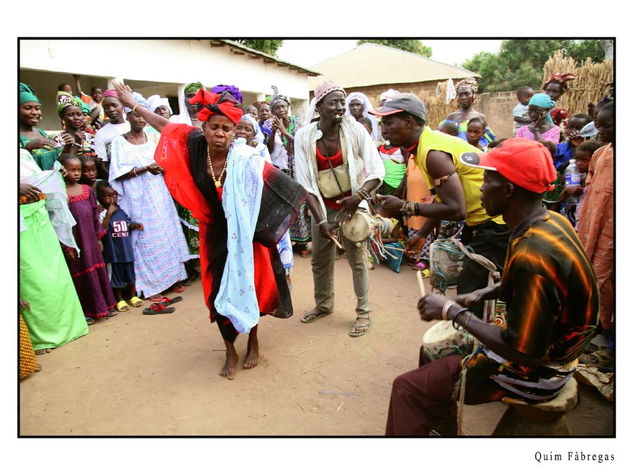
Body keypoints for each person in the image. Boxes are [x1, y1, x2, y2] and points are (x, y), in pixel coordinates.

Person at [385, 138, 599, 436]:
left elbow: (521, 350)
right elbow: (522, 287)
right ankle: (440, 427)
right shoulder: (551, 222)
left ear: (509, 190)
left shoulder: (532, 254)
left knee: (407, 388)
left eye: (487, 180)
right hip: (551, 353)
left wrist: (451, 310)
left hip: (538, 373)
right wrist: (480, 294)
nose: (480, 187)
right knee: (429, 351)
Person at [112, 81, 307, 379]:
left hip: (244, 234)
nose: (220, 133)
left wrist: (319, 217)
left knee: (250, 287)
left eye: (227, 129)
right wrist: (133, 104)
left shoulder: (245, 158)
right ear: (204, 127)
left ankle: (253, 340)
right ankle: (230, 349)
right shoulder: (194, 145)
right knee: (217, 292)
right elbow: (164, 125)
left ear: (234, 132)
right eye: (214, 127)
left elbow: (288, 189)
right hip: (213, 232)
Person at [371, 93, 509, 318]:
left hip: (496, 224)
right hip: (484, 222)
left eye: (388, 122)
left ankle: (476, 344)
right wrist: (422, 234)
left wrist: (407, 207)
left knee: (472, 291)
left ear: (409, 122)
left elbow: (456, 209)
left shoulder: (432, 152)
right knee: (474, 287)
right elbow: (443, 199)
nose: (383, 129)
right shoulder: (425, 146)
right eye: (382, 123)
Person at [295, 79, 385, 337]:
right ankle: (323, 305)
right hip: (323, 208)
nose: (339, 107)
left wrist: (359, 197)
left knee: (357, 260)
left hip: (353, 206)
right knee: (319, 261)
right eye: (333, 102)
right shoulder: (304, 136)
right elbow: (305, 184)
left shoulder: (355, 130)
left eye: (342, 102)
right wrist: (321, 221)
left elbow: (377, 169)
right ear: (319, 105)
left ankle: (363, 312)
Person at [108, 94, 192, 302]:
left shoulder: (154, 138)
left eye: (142, 117)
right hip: (137, 198)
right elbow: (117, 173)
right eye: (135, 116)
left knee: (166, 234)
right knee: (145, 239)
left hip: (159, 193)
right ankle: (151, 286)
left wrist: (163, 167)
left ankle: (172, 278)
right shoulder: (119, 142)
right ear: (128, 117)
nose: (140, 120)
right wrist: (144, 169)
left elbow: (167, 161)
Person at [20, 149, 89, 352]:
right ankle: (41, 339)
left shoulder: (23, 154)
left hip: (41, 219)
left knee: (56, 277)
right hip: (21, 228)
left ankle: (70, 327)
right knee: (32, 279)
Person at [59, 154, 117, 324]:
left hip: (91, 240)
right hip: (75, 242)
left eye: (78, 170)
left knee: (98, 271)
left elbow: (93, 216)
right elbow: (60, 223)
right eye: (72, 170)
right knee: (81, 276)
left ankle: (107, 306)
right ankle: (88, 312)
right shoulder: (60, 194)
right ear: (63, 171)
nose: (76, 173)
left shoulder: (87, 190)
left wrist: (99, 238)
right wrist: (66, 247)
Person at [576, 101, 614, 346]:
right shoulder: (601, 154)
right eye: (598, 125)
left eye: (606, 126)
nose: (599, 130)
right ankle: (597, 325)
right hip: (593, 228)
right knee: (594, 275)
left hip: (612, 228)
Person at [263, 91, 311, 256]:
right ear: (273, 110)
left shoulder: (297, 123)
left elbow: (301, 144)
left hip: (296, 167)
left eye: (283, 106)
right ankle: (287, 241)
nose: (281, 110)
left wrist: (283, 131)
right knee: (283, 205)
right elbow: (267, 150)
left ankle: (303, 242)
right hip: (279, 169)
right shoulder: (269, 125)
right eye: (277, 107)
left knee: (300, 202)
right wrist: (273, 133)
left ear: (288, 107)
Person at [96, 181, 144, 312]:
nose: (112, 199)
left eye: (114, 196)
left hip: (126, 251)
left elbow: (126, 224)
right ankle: (120, 299)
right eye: (108, 197)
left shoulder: (121, 210)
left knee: (130, 275)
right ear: (100, 198)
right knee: (115, 278)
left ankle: (132, 296)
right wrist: (109, 214)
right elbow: (101, 230)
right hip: (113, 254)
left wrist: (134, 226)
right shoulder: (101, 213)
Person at [542, 113, 593, 209]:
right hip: (561, 201)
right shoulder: (558, 149)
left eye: (579, 128)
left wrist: (581, 146)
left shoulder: (595, 149)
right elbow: (550, 171)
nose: (574, 132)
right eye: (571, 128)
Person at [19, 83, 69, 170]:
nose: (34, 112)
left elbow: (56, 160)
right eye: (27, 108)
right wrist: (28, 148)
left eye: (37, 108)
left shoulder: (42, 133)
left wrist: (69, 146)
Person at [440, 78, 495, 148]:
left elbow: (490, 139)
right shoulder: (452, 117)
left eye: (467, 94)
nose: (463, 97)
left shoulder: (480, 117)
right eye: (460, 95)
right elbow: (444, 137)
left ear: (473, 96)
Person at [558, 140, 602, 227]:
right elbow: (561, 199)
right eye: (577, 159)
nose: (579, 163)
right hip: (571, 217)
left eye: (585, 160)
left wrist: (582, 190)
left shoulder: (598, 178)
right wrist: (566, 190)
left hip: (587, 221)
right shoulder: (574, 174)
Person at [94, 89, 130, 177]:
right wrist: (115, 179)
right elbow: (103, 163)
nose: (111, 109)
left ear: (122, 105)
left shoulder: (131, 126)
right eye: (106, 107)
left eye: (114, 105)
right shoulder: (101, 133)